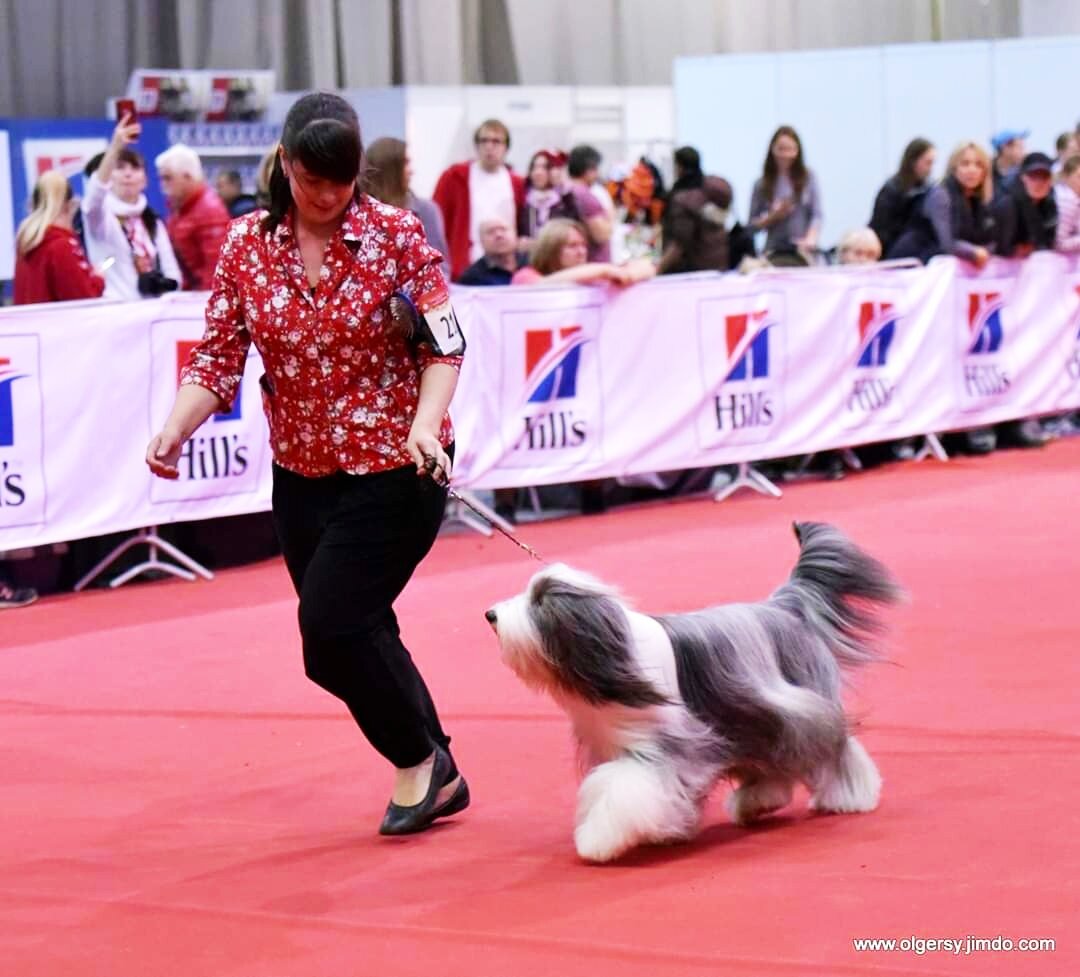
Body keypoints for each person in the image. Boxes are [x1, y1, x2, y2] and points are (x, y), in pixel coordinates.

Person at [145, 92, 468, 837]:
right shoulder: (245, 247)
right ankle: (439, 764)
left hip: (398, 466)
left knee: (329, 630)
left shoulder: (396, 235)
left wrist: (425, 425)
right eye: (312, 179)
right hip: (301, 475)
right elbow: (219, 356)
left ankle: (418, 760)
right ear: (285, 164)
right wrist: (175, 428)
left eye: (342, 181)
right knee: (360, 626)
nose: (328, 196)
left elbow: (444, 344)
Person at [81, 115, 183, 300]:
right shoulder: (101, 218)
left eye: (135, 168)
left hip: (151, 314)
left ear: (144, 180)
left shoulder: (151, 221)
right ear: (110, 178)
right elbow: (93, 198)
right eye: (120, 168)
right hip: (114, 313)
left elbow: (173, 272)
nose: (128, 174)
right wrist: (115, 147)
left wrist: (164, 286)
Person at [433, 119, 525, 280]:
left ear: (506, 147)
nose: (489, 146)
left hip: (507, 270)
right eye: (484, 141)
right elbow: (437, 224)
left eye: (496, 141)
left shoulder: (517, 183)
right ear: (476, 145)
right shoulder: (454, 177)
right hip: (464, 267)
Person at [890, 141, 998, 268]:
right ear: (954, 168)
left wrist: (983, 250)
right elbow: (947, 244)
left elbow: (991, 239)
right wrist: (973, 251)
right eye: (965, 164)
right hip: (912, 264)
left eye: (978, 165)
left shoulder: (979, 200)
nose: (972, 170)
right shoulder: (940, 195)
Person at [14, 170, 105, 304]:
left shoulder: (28, 242)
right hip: (56, 324)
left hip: (32, 324)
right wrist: (98, 279)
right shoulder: (61, 245)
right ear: (69, 205)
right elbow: (82, 300)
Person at [155, 143, 231, 291]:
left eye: (168, 178)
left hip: (202, 298)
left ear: (188, 176)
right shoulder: (180, 207)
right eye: (162, 178)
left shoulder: (209, 210)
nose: (163, 185)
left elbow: (215, 267)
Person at [366, 136, 450, 267]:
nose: (411, 171)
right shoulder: (360, 211)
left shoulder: (426, 211)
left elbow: (440, 267)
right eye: (405, 163)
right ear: (389, 169)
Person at [749, 126, 823, 259]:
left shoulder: (808, 178)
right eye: (781, 149)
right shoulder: (761, 184)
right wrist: (772, 217)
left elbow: (816, 214)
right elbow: (751, 226)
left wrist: (811, 238)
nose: (785, 155)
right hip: (773, 251)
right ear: (772, 149)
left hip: (803, 250)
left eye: (790, 150)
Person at [510, 218, 654, 286]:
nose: (581, 252)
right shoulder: (525, 275)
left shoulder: (591, 275)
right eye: (572, 246)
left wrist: (626, 274)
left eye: (583, 245)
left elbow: (648, 267)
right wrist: (605, 270)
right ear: (551, 249)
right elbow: (540, 285)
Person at [870, 138, 935, 258]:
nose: (930, 168)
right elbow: (881, 228)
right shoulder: (891, 189)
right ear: (913, 161)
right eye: (928, 162)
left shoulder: (927, 188)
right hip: (890, 251)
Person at [657, 175, 733, 274]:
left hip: (694, 274)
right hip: (715, 273)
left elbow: (679, 245)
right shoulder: (713, 214)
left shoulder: (685, 206)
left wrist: (657, 269)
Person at [995, 152, 1058, 257]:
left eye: (1045, 176)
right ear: (1023, 177)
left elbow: (1049, 241)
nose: (1039, 183)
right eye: (1033, 176)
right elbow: (1003, 248)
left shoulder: (1051, 201)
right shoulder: (1008, 205)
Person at [517, 149, 579, 242]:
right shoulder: (525, 198)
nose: (538, 172)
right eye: (534, 167)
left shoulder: (566, 199)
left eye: (544, 167)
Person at [565, 145, 613, 262]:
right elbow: (601, 234)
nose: (597, 174)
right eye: (596, 169)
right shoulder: (584, 195)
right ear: (589, 169)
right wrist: (610, 215)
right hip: (592, 263)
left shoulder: (565, 190)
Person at [457, 217, 526, 285]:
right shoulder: (472, 277)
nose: (499, 235)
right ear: (481, 241)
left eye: (503, 229)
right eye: (491, 232)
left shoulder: (532, 263)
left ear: (516, 234)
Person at [991, 129, 1027, 199]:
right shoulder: (986, 173)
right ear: (1005, 148)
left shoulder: (1024, 173)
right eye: (1020, 147)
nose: (1023, 151)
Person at [1055, 154, 1080, 253]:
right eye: (1079, 176)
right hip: (1064, 265)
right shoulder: (1066, 200)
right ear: (1065, 177)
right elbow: (1058, 244)